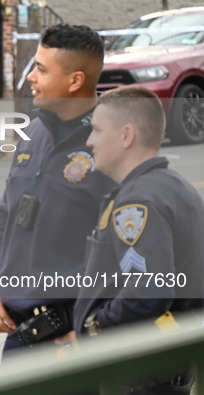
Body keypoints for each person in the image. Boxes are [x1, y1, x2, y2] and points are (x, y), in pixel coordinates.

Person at [0, 23, 116, 350]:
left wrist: (93, 328)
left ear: (75, 81)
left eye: (41, 70)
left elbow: (132, 246)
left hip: (71, 336)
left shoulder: (114, 145)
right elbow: (7, 214)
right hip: (20, 332)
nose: (31, 77)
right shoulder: (32, 132)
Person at [73, 86, 204, 394]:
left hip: (139, 375)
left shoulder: (138, 202)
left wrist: (95, 327)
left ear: (126, 135)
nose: (89, 141)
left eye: (96, 130)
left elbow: (148, 293)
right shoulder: (176, 187)